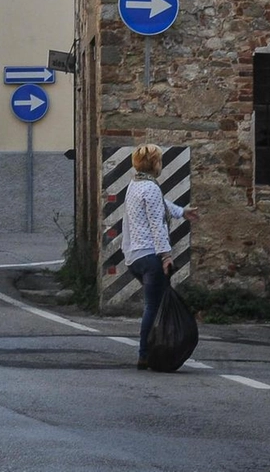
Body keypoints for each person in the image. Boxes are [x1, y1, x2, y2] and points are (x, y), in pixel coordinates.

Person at [122, 144, 199, 370]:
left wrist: (181, 211)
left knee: (153, 305)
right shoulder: (152, 188)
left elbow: (159, 206)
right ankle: (146, 353)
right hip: (150, 256)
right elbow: (157, 224)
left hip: (134, 257)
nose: (161, 164)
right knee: (153, 307)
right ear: (154, 164)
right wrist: (166, 256)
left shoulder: (134, 185)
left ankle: (152, 349)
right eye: (160, 160)